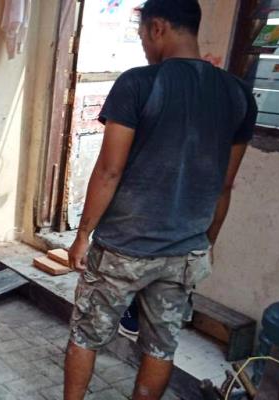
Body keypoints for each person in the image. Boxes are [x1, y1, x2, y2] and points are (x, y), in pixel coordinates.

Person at [63, 1, 257, 399]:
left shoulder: (139, 83)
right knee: (160, 346)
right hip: (184, 251)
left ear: (158, 28)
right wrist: (208, 242)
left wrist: (83, 234)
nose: (144, 48)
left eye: (141, 36)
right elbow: (225, 185)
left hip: (123, 247)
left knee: (86, 335)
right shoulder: (238, 94)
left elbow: (109, 170)